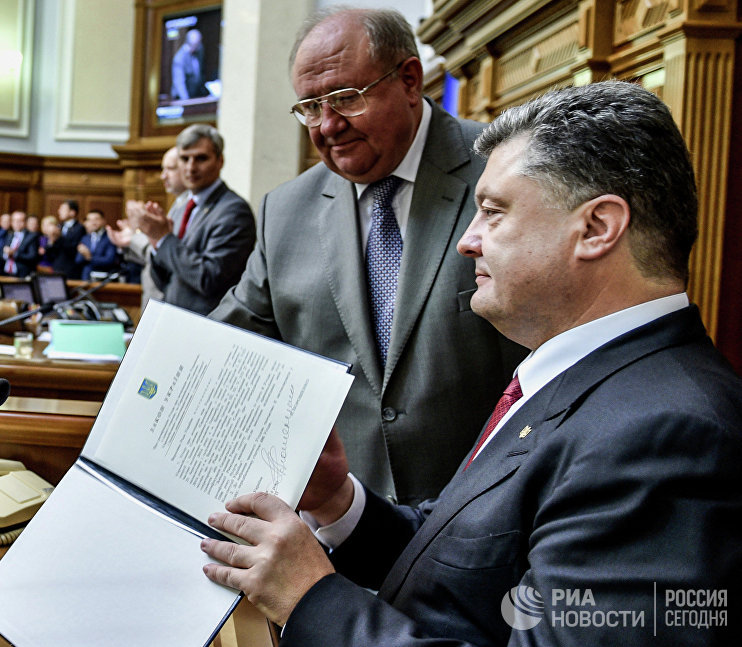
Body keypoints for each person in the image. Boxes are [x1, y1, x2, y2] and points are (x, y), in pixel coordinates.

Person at [200, 81, 742, 646]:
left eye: (493, 212)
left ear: (596, 228)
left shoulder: (668, 436)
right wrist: (339, 502)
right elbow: (468, 561)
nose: (468, 240)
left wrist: (312, 599)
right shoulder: (581, 376)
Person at [210, 7, 524, 505]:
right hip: (340, 519)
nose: (328, 125)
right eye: (311, 106)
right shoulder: (285, 211)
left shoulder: (505, 171)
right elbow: (229, 342)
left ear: (409, 80)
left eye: (346, 98)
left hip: (485, 509)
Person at [140, 124, 255, 316]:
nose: (191, 167)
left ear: (220, 161)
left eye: (201, 158)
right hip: (173, 318)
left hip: (208, 322)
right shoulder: (182, 206)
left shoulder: (234, 210)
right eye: (184, 159)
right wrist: (156, 243)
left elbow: (208, 278)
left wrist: (164, 239)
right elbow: (165, 280)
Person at [108, 147, 189, 309]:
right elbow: (157, 255)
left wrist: (136, 238)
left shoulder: (190, 208)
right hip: (155, 297)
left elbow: (172, 255)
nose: (163, 175)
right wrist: (132, 239)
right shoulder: (179, 204)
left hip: (169, 300)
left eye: (170, 169)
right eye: (163, 169)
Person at [75, 210, 119, 280]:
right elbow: (78, 260)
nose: (93, 223)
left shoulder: (110, 237)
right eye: (90, 220)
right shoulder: (85, 238)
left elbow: (109, 260)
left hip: (104, 278)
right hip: (86, 277)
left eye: (96, 219)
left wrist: (90, 257)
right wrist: (83, 253)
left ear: (103, 221)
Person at [46, 200, 85, 277]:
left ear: (72, 212)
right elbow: (51, 252)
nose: (59, 211)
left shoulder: (79, 228)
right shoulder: (59, 226)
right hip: (56, 267)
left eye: (62, 209)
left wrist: (59, 237)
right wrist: (51, 242)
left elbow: (73, 249)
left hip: (71, 269)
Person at [1, 211, 39, 278]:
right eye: (14, 221)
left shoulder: (32, 236)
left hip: (22, 273)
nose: (17, 223)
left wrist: (14, 253)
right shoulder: (9, 235)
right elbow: (1, 252)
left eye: (20, 221)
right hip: (6, 272)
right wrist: (5, 253)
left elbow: (32, 256)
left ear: (25, 222)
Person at [171, 28, 204, 100]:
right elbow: (179, 83)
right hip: (181, 98)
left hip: (194, 95)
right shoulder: (179, 58)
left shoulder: (199, 51)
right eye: (198, 44)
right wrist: (186, 101)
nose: (200, 45)